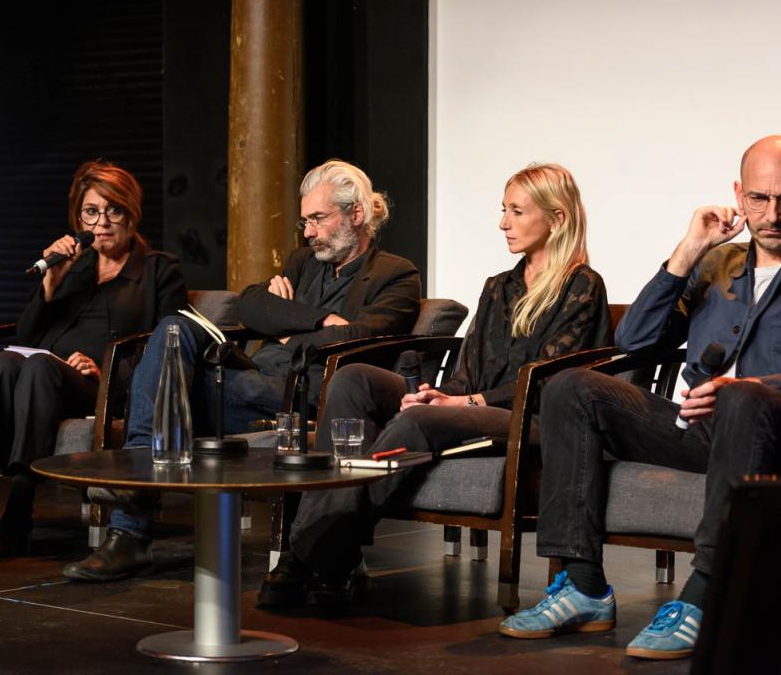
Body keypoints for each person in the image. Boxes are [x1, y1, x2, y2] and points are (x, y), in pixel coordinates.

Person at [499, 136, 781, 660]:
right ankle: (583, 585)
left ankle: (708, 593)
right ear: (737, 195)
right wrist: (687, 251)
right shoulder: (715, 265)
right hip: (705, 432)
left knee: (744, 402)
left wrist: (745, 388)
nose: (771, 214)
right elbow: (633, 342)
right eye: (758, 198)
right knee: (571, 387)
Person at [258, 163, 611, 608]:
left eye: (517, 212)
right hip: (476, 409)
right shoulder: (499, 286)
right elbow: (468, 367)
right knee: (355, 378)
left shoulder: (582, 286)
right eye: (503, 210)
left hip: (533, 420)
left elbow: (551, 379)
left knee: (422, 418)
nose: (503, 222)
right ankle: (333, 554)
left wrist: (463, 400)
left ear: (557, 218)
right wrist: (442, 393)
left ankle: (308, 552)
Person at [63, 158, 422, 582]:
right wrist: (320, 319)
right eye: (304, 221)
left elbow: (363, 338)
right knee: (175, 327)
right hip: (247, 379)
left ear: (356, 214)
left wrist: (288, 323)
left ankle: (130, 525)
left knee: (169, 393)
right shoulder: (304, 261)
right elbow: (250, 303)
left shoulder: (397, 274)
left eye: (318, 219)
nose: (307, 232)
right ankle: (139, 477)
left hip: (301, 394)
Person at [0, 162, 187, 557]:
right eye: (90, 212)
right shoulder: (72, 269)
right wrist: (51, 282)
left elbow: (168, 344)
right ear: (78, 218)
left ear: (131, 213)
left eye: (113, 210)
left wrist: (104, 368)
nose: (102, 223)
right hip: (45, 378)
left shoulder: (158, 270)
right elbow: (27, 337)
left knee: (38, 366)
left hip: (105, 386)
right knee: (10, 359)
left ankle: (19, 509)